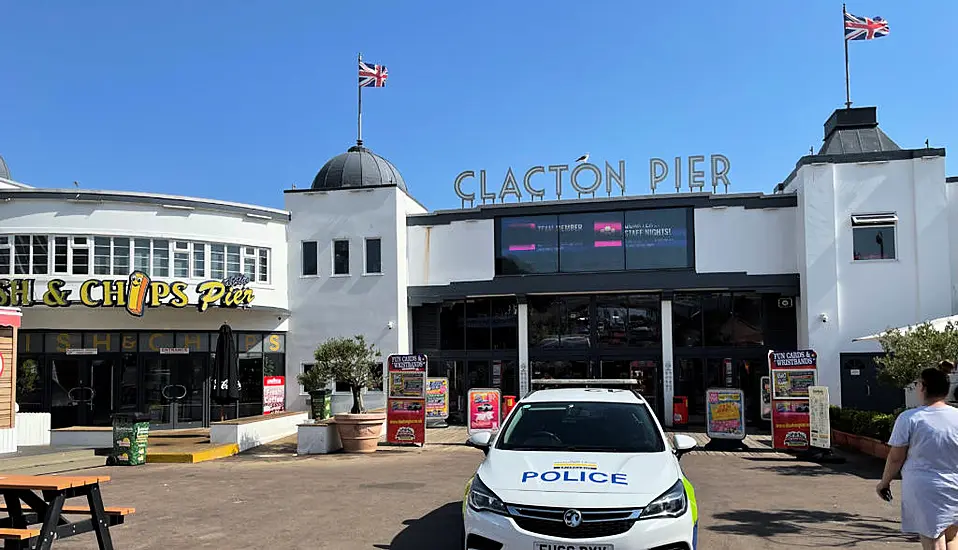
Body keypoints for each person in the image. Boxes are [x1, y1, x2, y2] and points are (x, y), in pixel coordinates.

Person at [878, 360, 958, 549]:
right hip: (955, 482)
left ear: (923, 387)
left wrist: (884, 482)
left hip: (924, 486)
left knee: (933, 536)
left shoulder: (910, 418)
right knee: (953, 536)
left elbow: (896, 457)